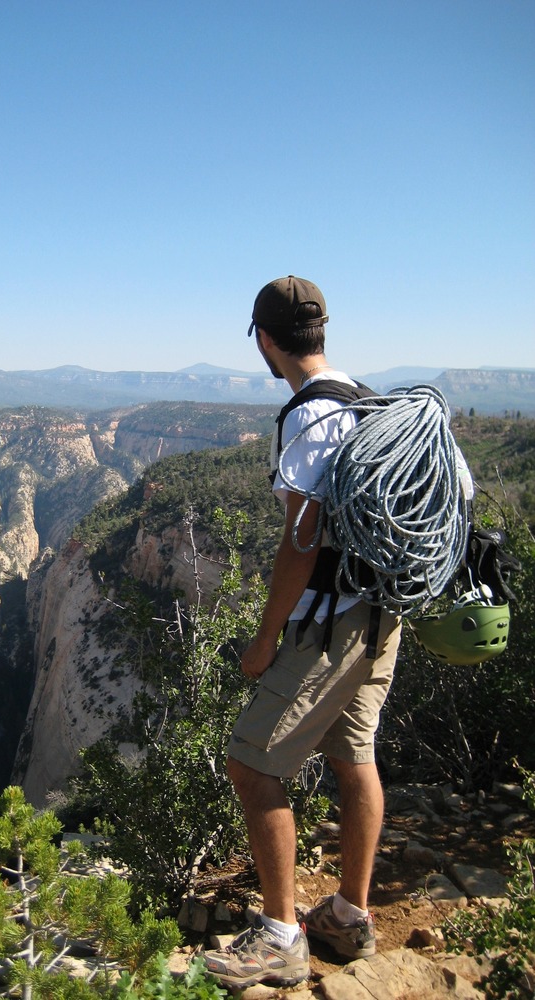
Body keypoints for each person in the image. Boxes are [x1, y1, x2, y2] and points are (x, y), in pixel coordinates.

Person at [203, 276, 402, 990]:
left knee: (253, 765)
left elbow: (300, 542)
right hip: (385, 614)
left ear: (264, 339)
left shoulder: (309, 416)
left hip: (330, 623)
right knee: (354, 752)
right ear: (322, 330)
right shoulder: (376, 402)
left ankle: (282, 936)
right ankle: (349, 915)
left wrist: (265, 638)